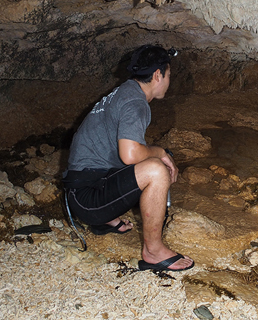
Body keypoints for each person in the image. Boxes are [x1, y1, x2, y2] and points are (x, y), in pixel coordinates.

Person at [62, 44, 193, 272]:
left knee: (152, 161)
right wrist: (160, 153)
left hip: (84, 189)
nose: (169, 81)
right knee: (156, 169)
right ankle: (153, 251)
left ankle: (103, 222)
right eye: (169, 75)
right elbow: (130, 154)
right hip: (86, 199)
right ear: (157, 75)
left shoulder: (125, 91)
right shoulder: (135, 102)